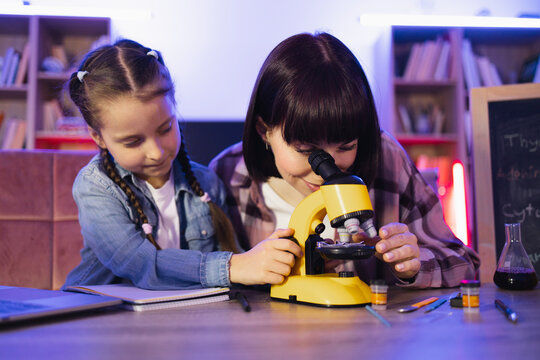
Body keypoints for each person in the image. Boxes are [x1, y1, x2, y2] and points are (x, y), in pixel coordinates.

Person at [210, 32, 480, 288]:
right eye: (307, 150)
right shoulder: (226, 175)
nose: (327, 170)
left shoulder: (387, 158)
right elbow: (193, 276)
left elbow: (465, 262)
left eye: (346, 146)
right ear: (264, 131)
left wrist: (415, 264)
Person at [62, 39, 301, 290]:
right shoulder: (95, 188)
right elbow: (141, 264)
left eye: (165, 128)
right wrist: (233, 266)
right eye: (133, 141)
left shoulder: (206, 182)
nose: (156, 152)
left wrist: (282, 266)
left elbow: (238, 265)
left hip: (182, 317)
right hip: (99, 316)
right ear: (98, 137)